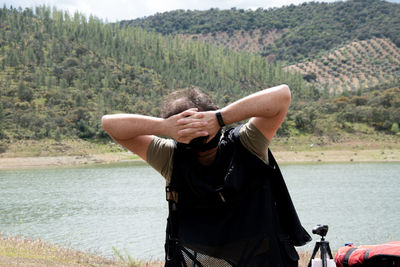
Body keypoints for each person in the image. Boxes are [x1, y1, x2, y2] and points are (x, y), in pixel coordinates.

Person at [102, 84, 311, 267]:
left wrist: (164, 127)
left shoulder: (168, 157)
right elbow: (283, 95)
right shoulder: (249, 144)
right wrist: (221, 118)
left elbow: (110, 125)